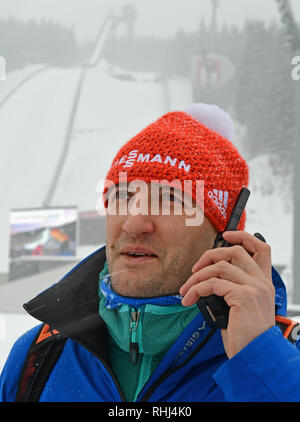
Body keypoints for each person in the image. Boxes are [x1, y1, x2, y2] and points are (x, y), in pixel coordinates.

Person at [1, 103, 300, 403]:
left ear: (224, 237)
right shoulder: (36, 360)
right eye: (121, 196)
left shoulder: (283, 363)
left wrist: (259, 359)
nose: (134, 223)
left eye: (170, 198)